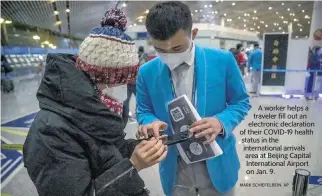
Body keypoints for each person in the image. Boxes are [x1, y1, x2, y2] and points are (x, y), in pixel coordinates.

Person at [23, 8, 167, 196]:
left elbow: (104, 153)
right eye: (121, 82)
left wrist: (137, 147)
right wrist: (133, 166)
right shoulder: (51, 131)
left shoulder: (94, 111)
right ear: (101, 78)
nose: (124, 89)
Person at [136, 2, 251, 196]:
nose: (169, 55)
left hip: (218, 161)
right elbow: (143, 110)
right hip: (175, 166)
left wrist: (220, 121)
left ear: (194, 34)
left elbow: (241, 101)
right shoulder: (146, 72)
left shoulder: (222, 61)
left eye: (177, 47)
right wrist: (150, 122)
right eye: (160, 49)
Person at [123, 46, 149, 122]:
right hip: (137, 82)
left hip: (128, 82)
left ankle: (125, 116)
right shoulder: (144, 57)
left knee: (126, 100)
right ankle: (138, 115)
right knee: (139, 100)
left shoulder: (130, 59)